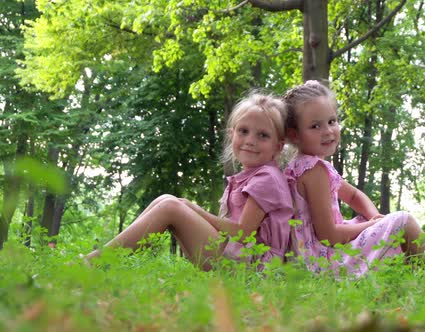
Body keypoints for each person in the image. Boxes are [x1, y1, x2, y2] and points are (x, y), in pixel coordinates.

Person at [86, 93, 293, 270]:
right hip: (232, 255)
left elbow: (243, 233)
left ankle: (97, 261)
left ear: (278, 146)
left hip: (249, 266)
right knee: (167, 199)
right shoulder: (253, 176)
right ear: (232, 135)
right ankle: (108, 256)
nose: (250, 140)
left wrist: (195, 209)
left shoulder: (267, 178)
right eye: (243, 131)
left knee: (171, 206)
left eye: (263, 135)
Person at [282, 80, 425, 276]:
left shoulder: (307, 166)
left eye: (332, 121)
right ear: (294, 134)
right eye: (315, 126)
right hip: (325, 262)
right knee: (403, 221)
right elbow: (329, 235)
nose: (328, 131)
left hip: (321, 254)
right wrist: (373, 225)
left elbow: (354, 196)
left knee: (374, 222)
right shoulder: (313, 171)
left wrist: (374, 216)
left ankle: (419, 278)